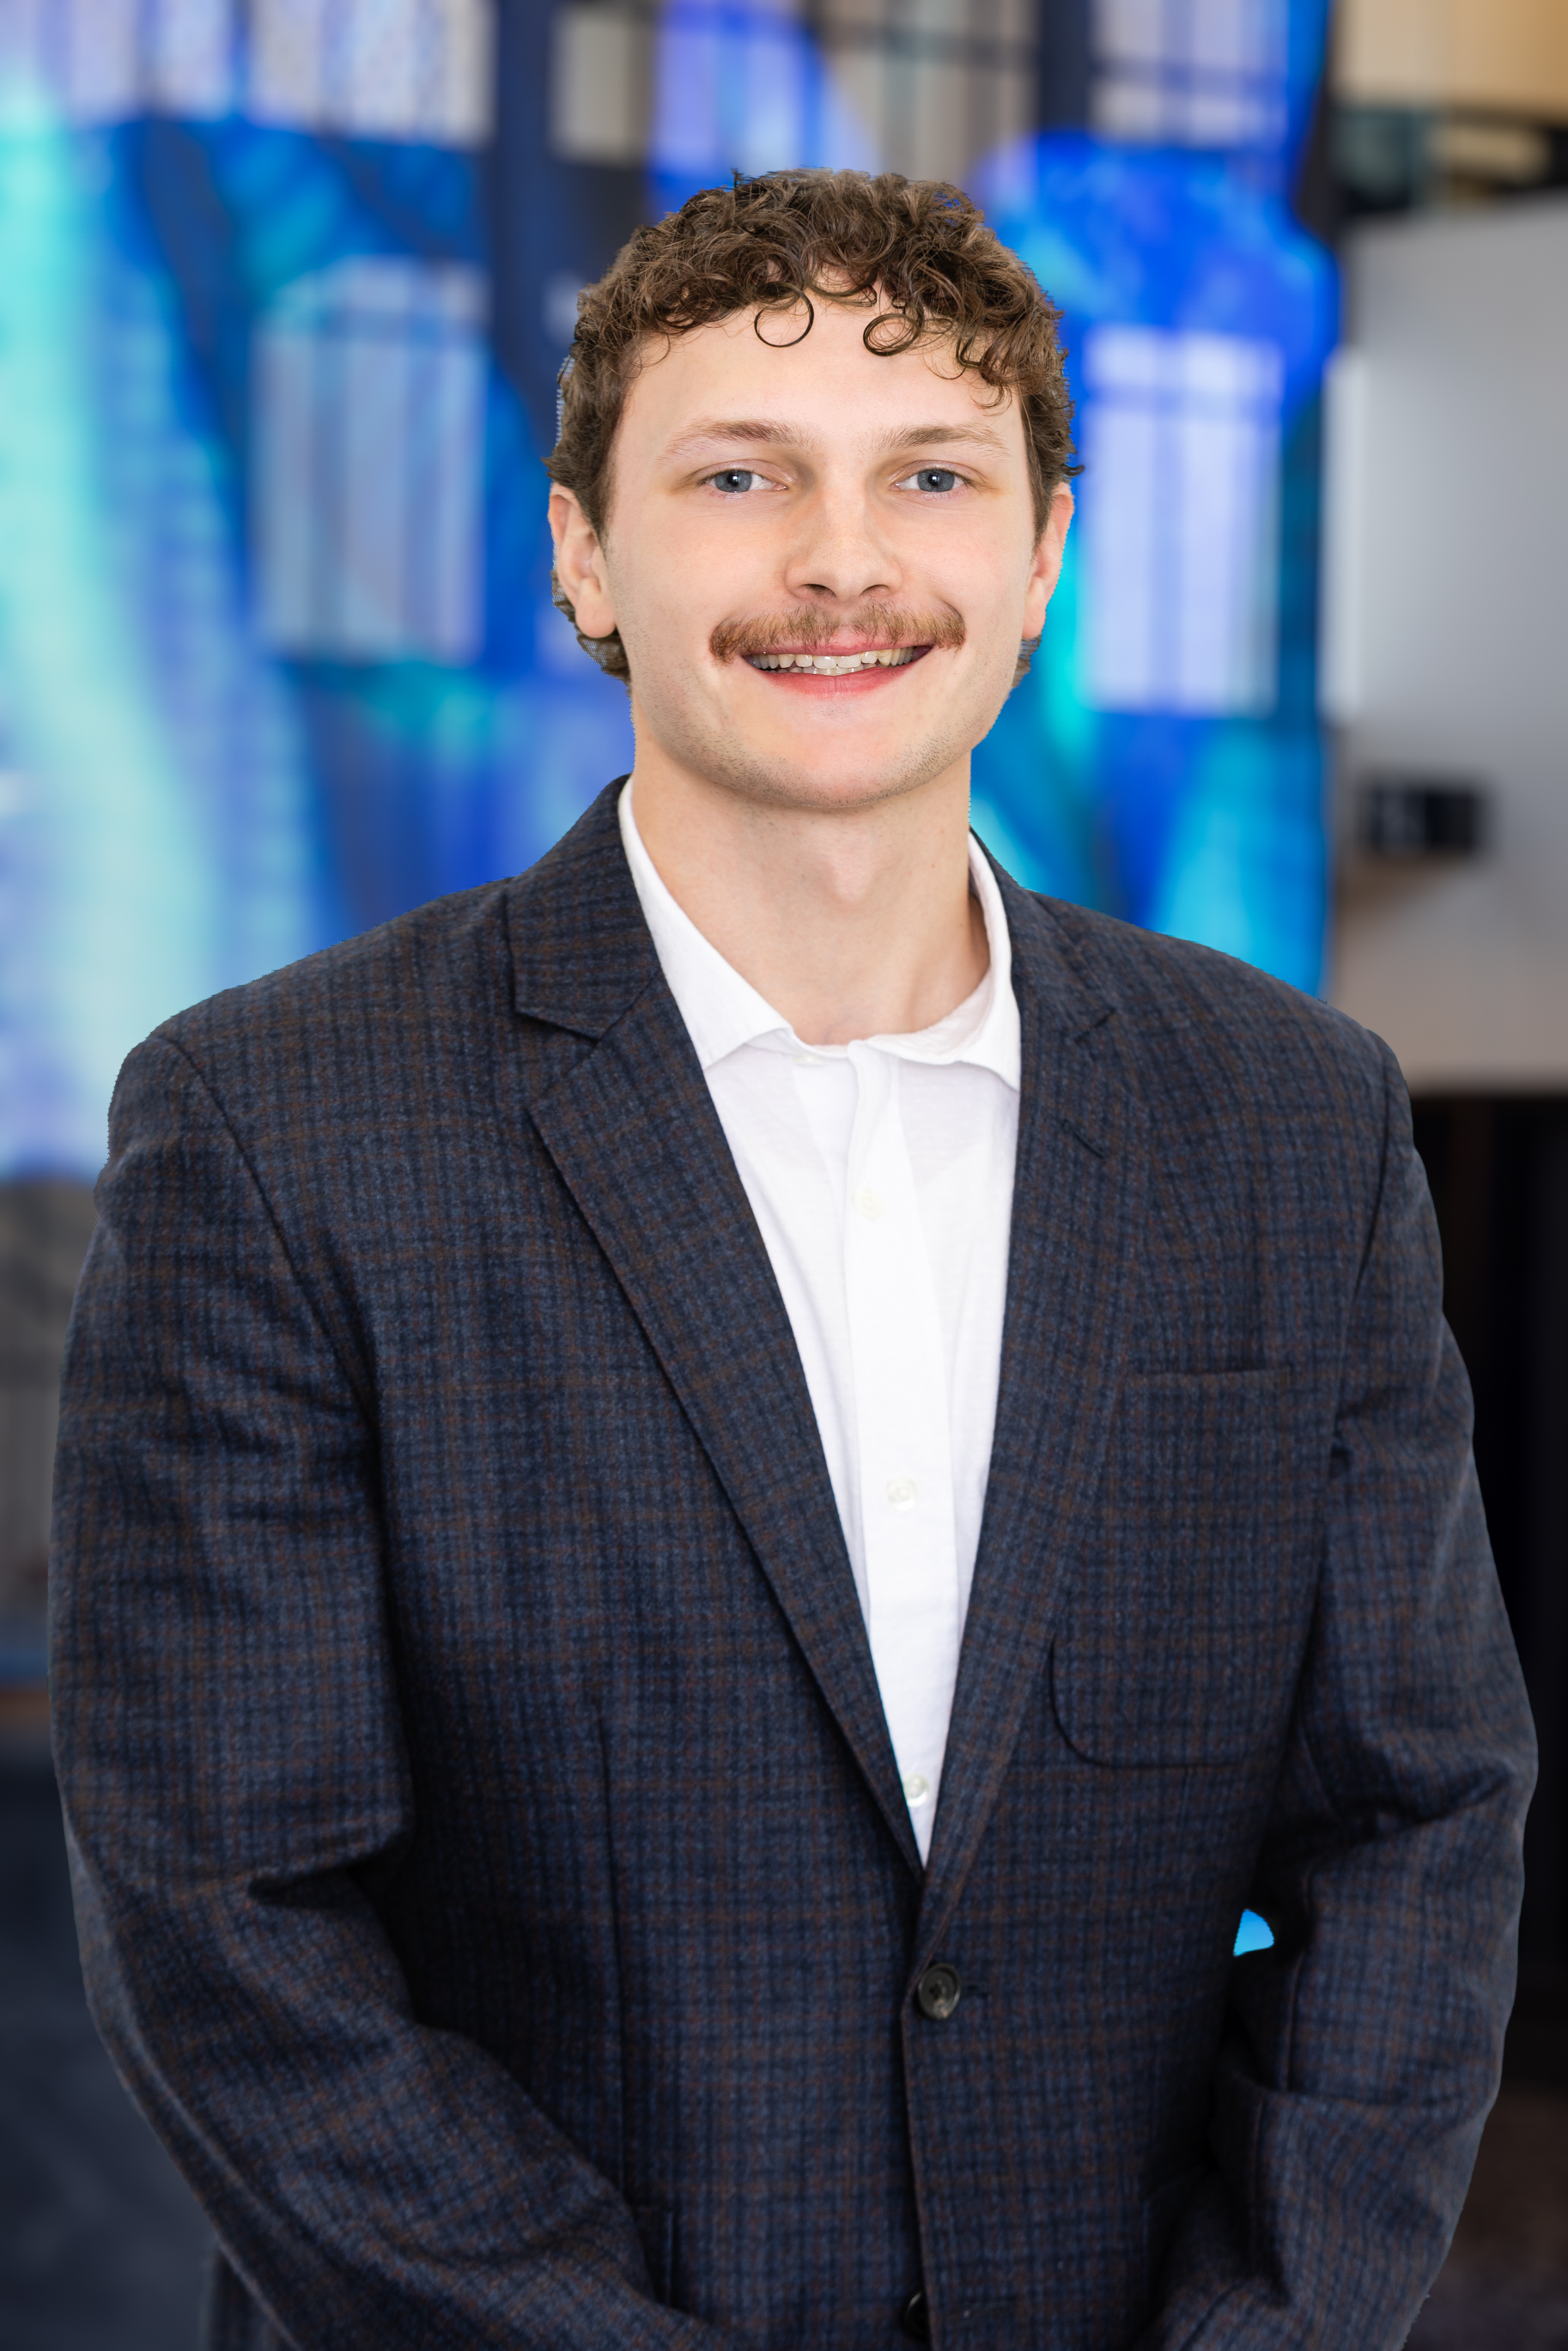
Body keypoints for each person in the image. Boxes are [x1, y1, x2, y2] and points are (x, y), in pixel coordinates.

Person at [52, 170, 1533, 2351]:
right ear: (585, 554)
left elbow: (1415, 1821)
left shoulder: (1288, 1119)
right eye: (739, 476)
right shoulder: (276, 1126)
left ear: (1039, 557)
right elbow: (230, 1916)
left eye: (930, 475)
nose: (843, 560)